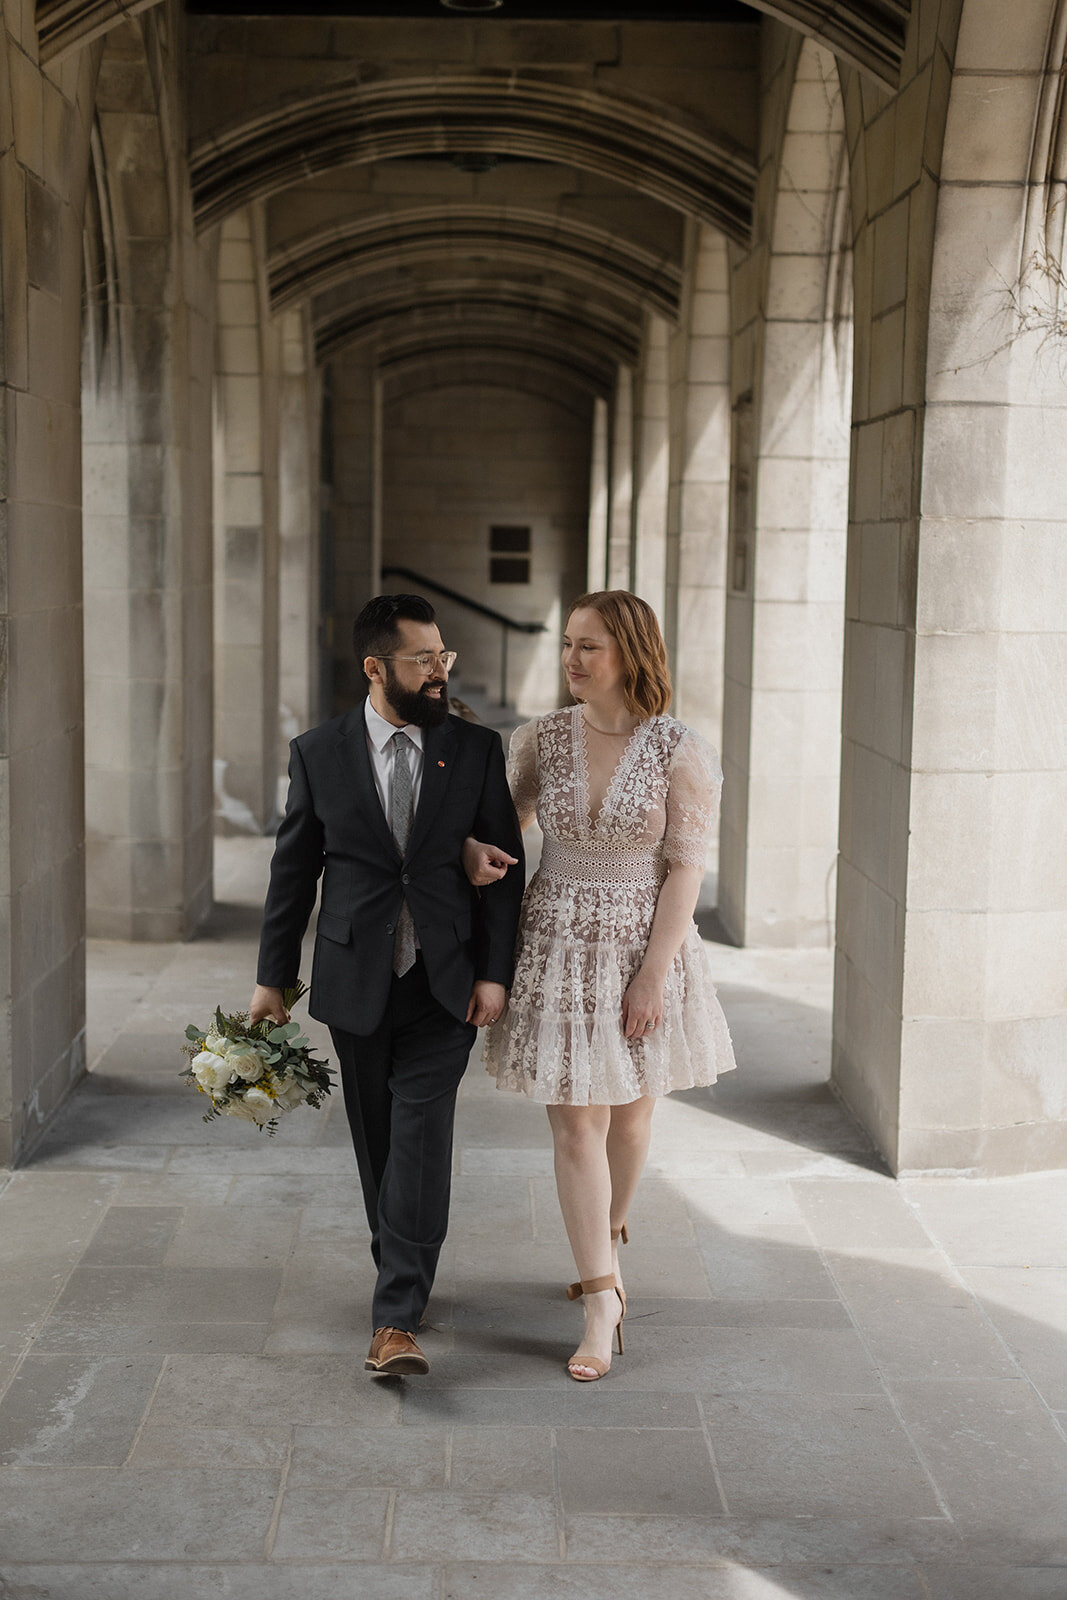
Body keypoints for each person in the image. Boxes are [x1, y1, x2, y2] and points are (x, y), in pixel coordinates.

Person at [252, 594, 524, 1378]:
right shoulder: (318, 752)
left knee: (419, 1137)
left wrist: (494, 972)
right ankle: (401, 1270)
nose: (440, 671)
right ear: (376, 669)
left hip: (444, 977)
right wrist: (274, 977)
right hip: (356, 976)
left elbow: (505, 872)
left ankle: (394, 1317)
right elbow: (294, 870)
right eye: (423, 660)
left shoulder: (473, 750)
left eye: (444, 658)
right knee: (377, 1143)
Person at [466, 590, 735, 1381]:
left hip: (643, 944)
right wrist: (468, 853)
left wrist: (652, 974)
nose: (572, 660)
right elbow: (498, 825)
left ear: (631, 653)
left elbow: (686, 867)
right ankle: (601, 1296)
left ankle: (609, 1229)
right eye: (569, 645)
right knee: (575, 1121)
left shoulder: (678, 748)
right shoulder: (540, 740)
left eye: (591, 647)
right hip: (553, 939)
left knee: (629, 1114)